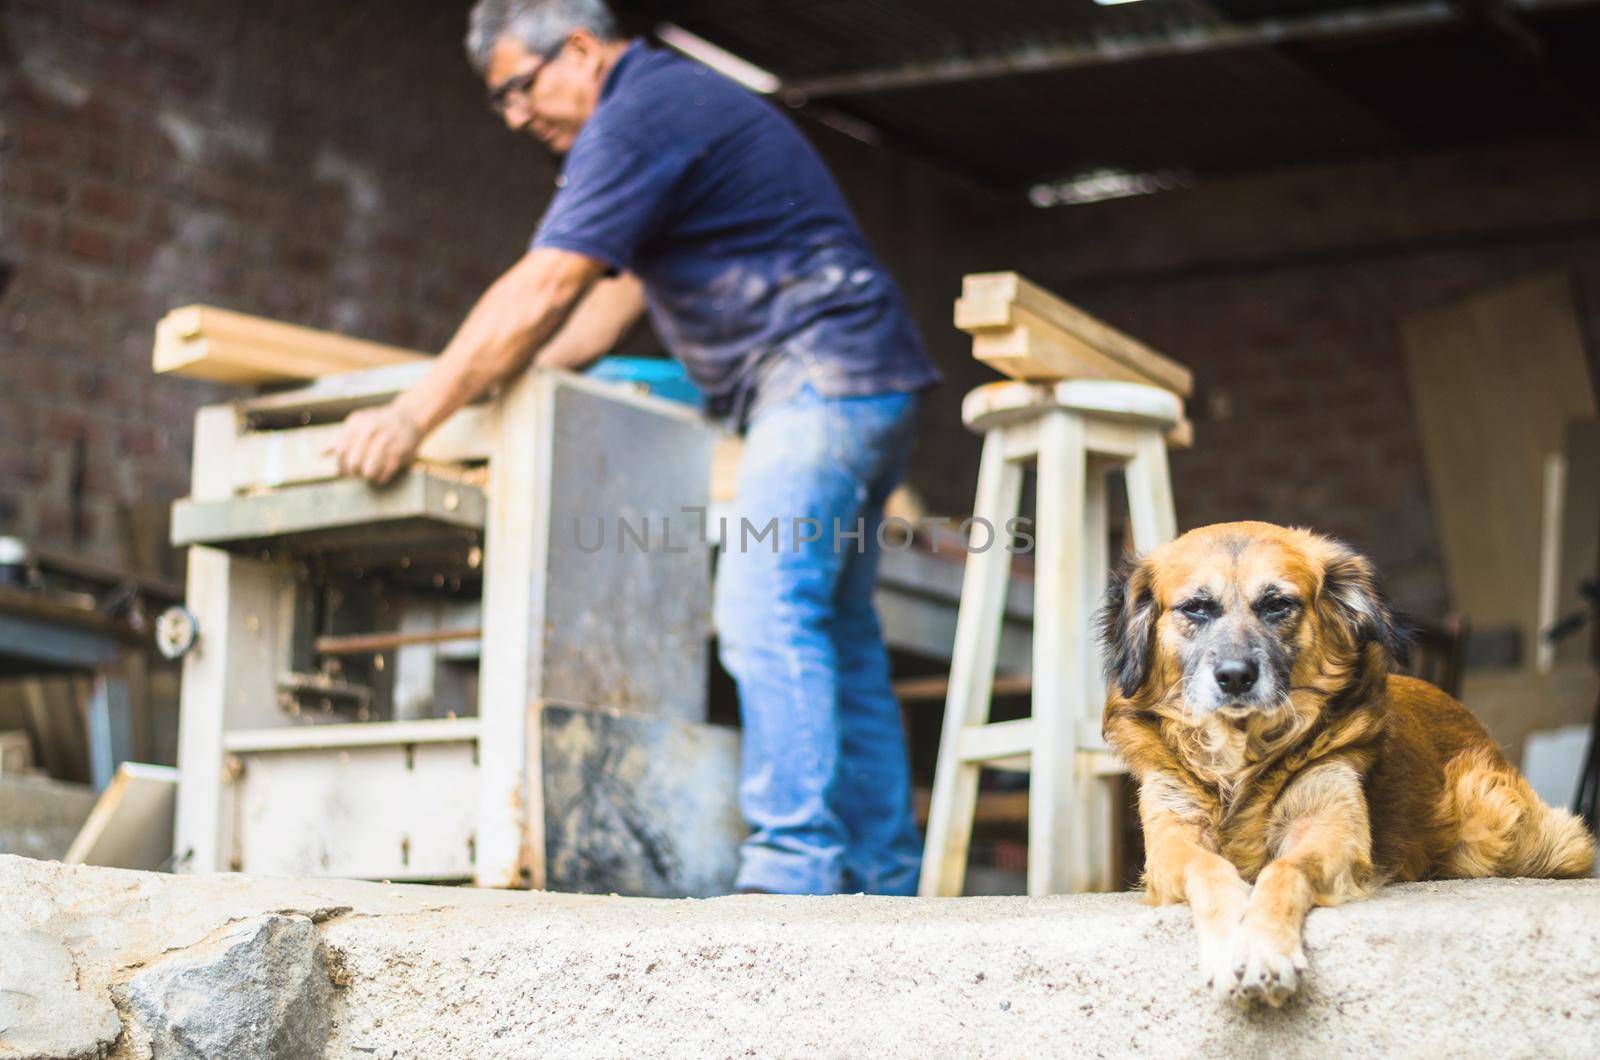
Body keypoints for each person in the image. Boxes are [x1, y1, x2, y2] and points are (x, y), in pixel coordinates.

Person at [330, 0, 940, 895]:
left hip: (818, 378)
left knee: (763, 610)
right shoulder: (663, 114)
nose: (511, 116)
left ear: (579, 50)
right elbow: (605, 302)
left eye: (517, 89)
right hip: (865, 377)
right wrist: (513, 385)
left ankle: (791, 872)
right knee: (838, 635)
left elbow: (545, 285)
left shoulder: (637, 113)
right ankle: (884, 878)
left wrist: (411, 417)